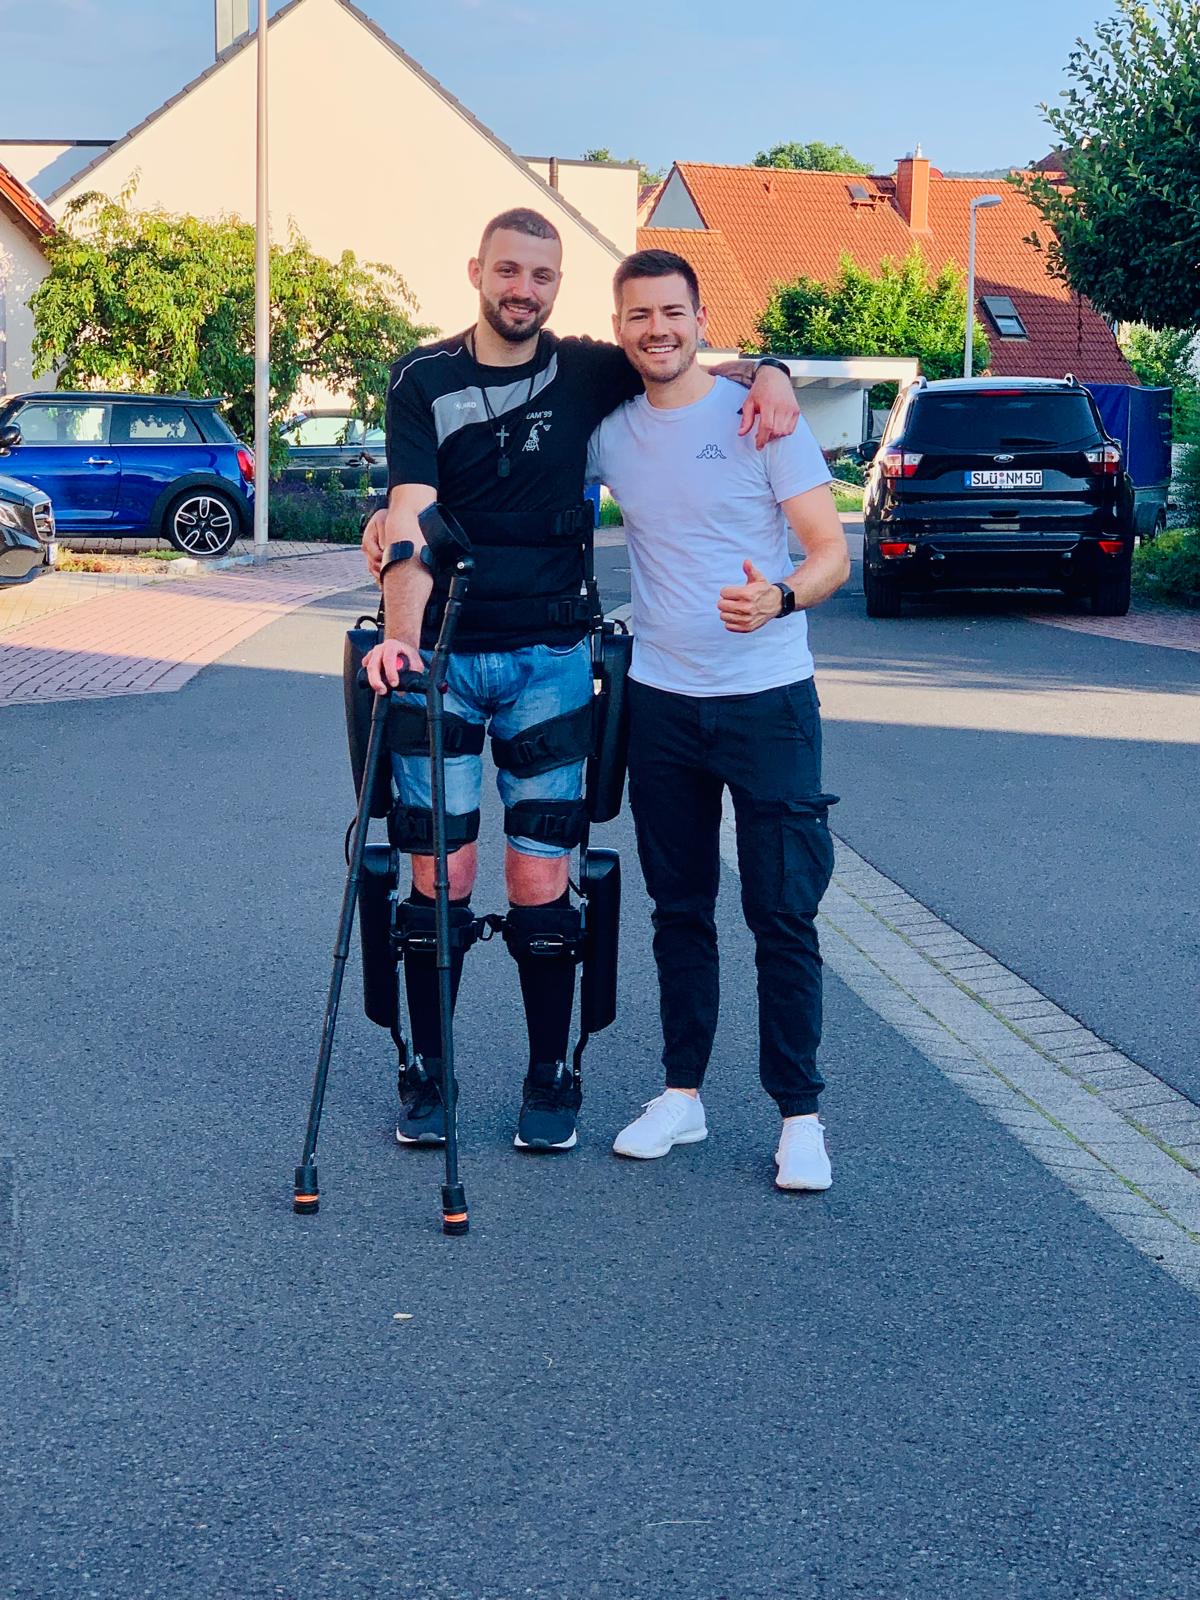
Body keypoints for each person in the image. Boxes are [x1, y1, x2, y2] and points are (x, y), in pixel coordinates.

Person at [361, 208, 799, 1154]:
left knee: (538, 874)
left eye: (542, 276)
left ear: (559, 287)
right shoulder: (421, 378)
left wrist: (774, 371)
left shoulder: (589, 369)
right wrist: (399, 639)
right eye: (509, 271)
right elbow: (411, 520)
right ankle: (429, 1072)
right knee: (439, 871)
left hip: (553, 658)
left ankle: (548, 1073)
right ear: (477, 270)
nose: (524, 290)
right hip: (443, 658)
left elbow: (683, 359)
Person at [586, 248, 850, 1191]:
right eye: (639, 315)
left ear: (701, 319)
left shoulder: (762, 419)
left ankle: (800, 1116)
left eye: (673, 312)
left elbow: (829, 552)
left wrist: (779, 597)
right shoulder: (608, 432)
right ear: (619, 327)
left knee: (781, 909)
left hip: (768, 699)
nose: (657, 329)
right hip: (660, 702)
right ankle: (682, 1095)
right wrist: (393, 516)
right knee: (679, 909)